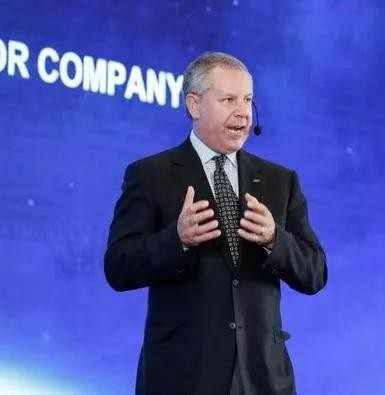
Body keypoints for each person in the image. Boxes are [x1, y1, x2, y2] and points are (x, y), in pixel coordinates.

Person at [104, 52, 328, 395]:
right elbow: (118, 267)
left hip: (263, 379)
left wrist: (274, 239)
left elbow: (315, 273)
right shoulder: (150, 175)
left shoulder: (280, 181)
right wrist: (176, 240)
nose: (243, 112)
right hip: (183, 378)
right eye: (229, 100)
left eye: (248, 100)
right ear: (194, 105)